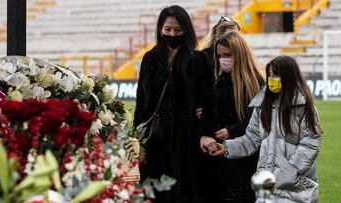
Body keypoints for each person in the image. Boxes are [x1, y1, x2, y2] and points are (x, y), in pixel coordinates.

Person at [208, 55, 321, 203]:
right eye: (269, 75)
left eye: (276, 75)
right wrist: (226, 148)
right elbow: (251, 139)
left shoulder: (304, 107)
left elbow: (310, 143)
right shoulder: (262, 105)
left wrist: (289, 171)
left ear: (289, 77)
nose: (271, 79)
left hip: (296, 187)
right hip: (267, 185)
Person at [134, 5, 214, 203]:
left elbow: (209, 101)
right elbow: (141, 99)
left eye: (178, 30)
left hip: (188, 139)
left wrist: (204, 128)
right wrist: (136, 134)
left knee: (187, 191)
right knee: (156, 191)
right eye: (168, 29)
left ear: (186, 30)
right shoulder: (150, 59)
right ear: (160, 29)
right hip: (155, 140)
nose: (172, 34)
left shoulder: (199, 59)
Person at [199, 31, 265, 202]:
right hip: (219, 158)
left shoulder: (257, 84)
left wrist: (232, 130)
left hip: (247, 160)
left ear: (239, 54)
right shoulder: (217, 83)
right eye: (219, 56)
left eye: (227, 55)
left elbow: (259, 122)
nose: (222, 60)